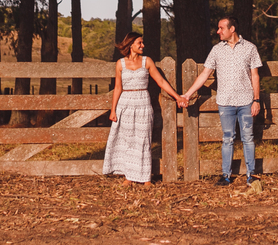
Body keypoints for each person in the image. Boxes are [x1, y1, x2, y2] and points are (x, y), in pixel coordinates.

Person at [180, 16, 262, 186]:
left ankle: (251, 174)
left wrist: (256, 100)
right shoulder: (217, 50)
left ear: (232, 29)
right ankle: (226, 175)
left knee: (248, 137)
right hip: (225, 101)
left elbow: (255, 75)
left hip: (246, 100)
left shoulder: (250, 48)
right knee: (228, 138)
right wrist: (187, 94)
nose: (218, 31)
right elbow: (205, 74)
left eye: (221, 28)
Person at [102, 32, 183, 185]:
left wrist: (177, 96)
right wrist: (113, 110)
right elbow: (118, 88)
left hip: (143, 103)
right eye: (139, 43)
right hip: (125, 103)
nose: (142, 46)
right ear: (131, 44)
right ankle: (129, 177)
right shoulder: (120, 63)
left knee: (144, 140)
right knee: (128, 141)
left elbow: (161, 81)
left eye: (142, 42)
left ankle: (146, 178)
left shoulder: (147, 61)